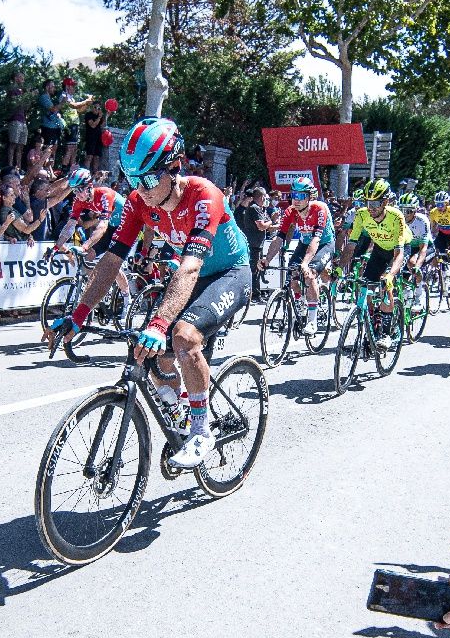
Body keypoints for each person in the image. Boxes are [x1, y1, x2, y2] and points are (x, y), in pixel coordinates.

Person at [43, 117, 252, 468]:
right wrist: (79, 315)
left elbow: (190, 267)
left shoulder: (204, 196)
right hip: (190, 274)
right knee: (147, 351)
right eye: (134, 181)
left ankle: (201, 431)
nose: (143, 189)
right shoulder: (139, 203)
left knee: (182, 337)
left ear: (175, 166)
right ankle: (178, 409)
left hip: (228, 273)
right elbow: (111, 260)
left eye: (150, 179)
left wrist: (160, 324)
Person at [263, 179, 336, 325]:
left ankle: (312, 321)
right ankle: (302, 303)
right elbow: (279, 238)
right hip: (304, 243)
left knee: (310, 274)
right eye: (294, 195)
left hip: (324, 243)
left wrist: (306, 263)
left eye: (301, 196)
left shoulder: (319, 208)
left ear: (310, 196)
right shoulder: (290, 211)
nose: (296, 200)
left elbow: (316, 239)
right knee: (293, 276)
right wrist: (267, 259)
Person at [338, 179, 410, 312]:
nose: (370, 207)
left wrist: (390, 275)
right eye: (367, 202)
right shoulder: (361, 214)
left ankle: (388, 324)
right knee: (365, 286)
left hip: (400, 249)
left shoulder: (396, 216)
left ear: (386, 202)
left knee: (386, 284)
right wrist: (340, 268)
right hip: (380, 248)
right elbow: (351, 245)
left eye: (375, 203)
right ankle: (372, 319)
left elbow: (399, 254)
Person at [428, 191, 450, 258]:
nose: (439, 207)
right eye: (437, 205)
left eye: (441, 205)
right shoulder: (433, 212)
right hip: (442, 233)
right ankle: (436, 268)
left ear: (447, 203)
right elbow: (433, 229)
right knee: (435, 253)